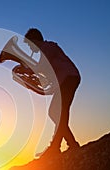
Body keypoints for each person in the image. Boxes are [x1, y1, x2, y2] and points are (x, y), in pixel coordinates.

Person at [23, 28, 81, 158]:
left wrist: (26, 69)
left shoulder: (47, 47)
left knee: (59, 112)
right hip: (67, 80)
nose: (30, 48)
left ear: (34, 41)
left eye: (29, 44)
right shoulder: (47, 49)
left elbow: (41, 67)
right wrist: (30, 80)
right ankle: (69, 143)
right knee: (55, 113)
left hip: (69, 78)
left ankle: (56, 147)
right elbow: (47, 74)